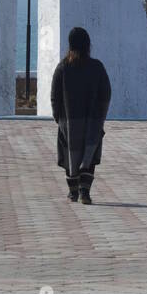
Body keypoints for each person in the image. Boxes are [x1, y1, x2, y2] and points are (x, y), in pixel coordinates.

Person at [50, 26, 111, 205]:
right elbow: (106, 93)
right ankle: (85, 192)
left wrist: (58, 117)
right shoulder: (97, 67)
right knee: (88, 156)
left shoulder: (63, 67)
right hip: (92, 121)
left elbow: (55, 95)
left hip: (69, 122)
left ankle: (73, 192)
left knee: (71, 156)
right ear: (87, 44)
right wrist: (101, 117)